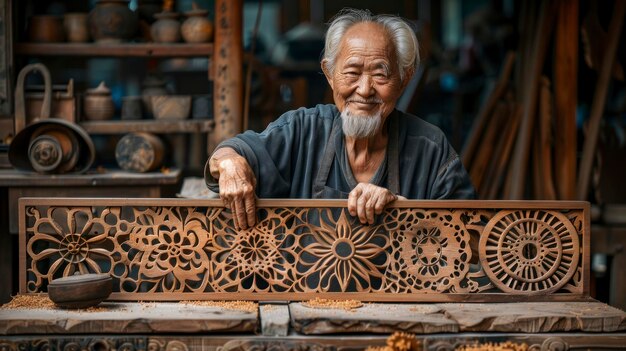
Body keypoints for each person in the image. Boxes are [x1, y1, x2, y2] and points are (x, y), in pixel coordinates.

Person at [205, 8, 475, 230]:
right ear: (330, 73)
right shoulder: (302, 130)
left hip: (398, 296)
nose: (365, 89)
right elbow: (232, 152)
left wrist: (405, 211)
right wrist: (230, 164)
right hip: (301, 295)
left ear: (403, 81)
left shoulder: (430, 148)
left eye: (380, 74)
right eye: (352, 72)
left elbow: (474, 239)